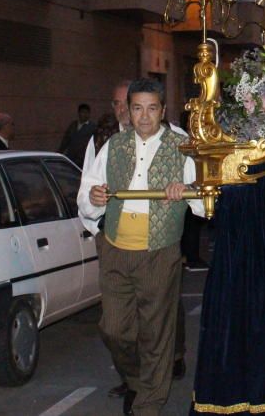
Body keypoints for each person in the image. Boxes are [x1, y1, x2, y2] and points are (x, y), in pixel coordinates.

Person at [77, 78, 206, 416]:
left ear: (163, 111)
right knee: (114, 329)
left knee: (156, 335)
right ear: (128, 111)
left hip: (159, 253)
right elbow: (88, 192)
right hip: (115, 249)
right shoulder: (114, 146)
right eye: (137, 108)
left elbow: (208, 202)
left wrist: (189, 188)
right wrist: (94, 198)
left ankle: (148, 404)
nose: (144, 116)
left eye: (151, 108)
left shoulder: (184, 146)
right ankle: (136, 382)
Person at [57, 103, 96, 168]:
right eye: (83, 112)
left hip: (83, 159)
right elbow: (66, 140)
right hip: (71, 157)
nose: (85, 115)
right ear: (79, 113)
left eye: (87, 113)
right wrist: (59, 152)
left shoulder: (93, 127)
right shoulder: (73, 125)